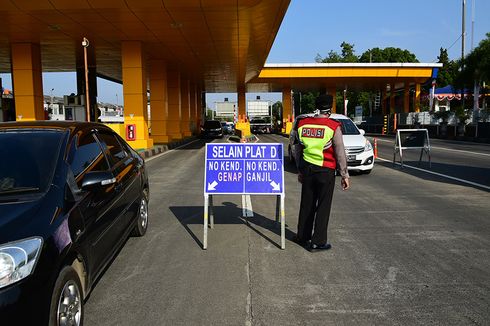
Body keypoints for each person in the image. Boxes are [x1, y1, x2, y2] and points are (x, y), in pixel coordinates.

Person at [294, 94, 350, 251]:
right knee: (323, 206)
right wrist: (344, 174)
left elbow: (298, 149)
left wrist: (300, 170)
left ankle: (302, 236)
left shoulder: (302, 124)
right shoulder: (333, 126)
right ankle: (317, 241)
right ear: (330, 109)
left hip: (307, 169)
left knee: (307, 204)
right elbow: (340, 152)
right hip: (326, 170)